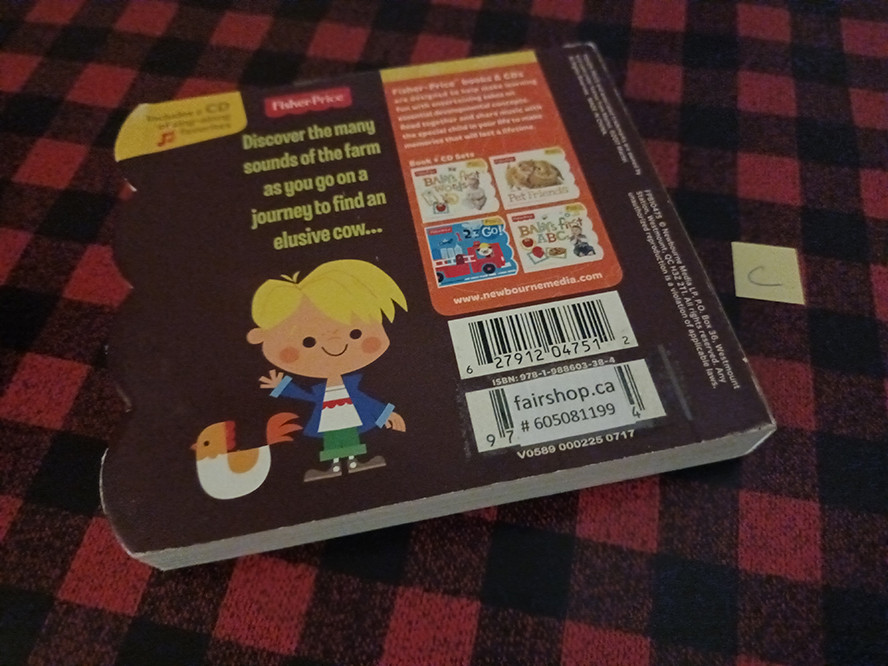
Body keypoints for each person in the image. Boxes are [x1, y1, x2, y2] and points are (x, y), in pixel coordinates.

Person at [247, 260, 407, 482]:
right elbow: (306, 396)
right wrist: (281, 386)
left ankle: (353, 462)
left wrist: (384, 413)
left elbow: (363, 401)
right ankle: (335, 465)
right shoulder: (323, 390)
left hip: (348, 416)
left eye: (355, 334)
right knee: (332, 440)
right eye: (308, 342)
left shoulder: (351, 386)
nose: (334, 345)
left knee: (350, 437)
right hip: (329, 417)